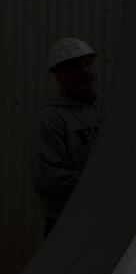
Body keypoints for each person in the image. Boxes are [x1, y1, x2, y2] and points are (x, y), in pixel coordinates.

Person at [31, 38, 103, 236]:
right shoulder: (51, 119)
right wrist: (104, 184)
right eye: (74, 67)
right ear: (58, 76)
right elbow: (48, 179)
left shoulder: (109, 111)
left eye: (88, 63)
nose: (85, 71)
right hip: (66, 222)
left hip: (105, 216)